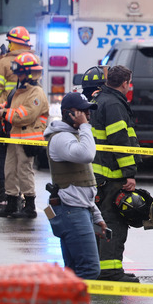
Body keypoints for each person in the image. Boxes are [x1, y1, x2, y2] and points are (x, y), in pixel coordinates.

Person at [44, 92, 107, 279]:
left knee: (72, 271)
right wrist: (85, 127)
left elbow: (83, 184)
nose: (88, 115)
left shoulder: (73, 135)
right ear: (69, 113)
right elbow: (87, 155)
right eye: (83, 111)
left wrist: (96, 215)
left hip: (77, 209)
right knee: (89, 269)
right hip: (72, 211)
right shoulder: (61, 138)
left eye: (88, 111)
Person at [91, 64, 141, 282]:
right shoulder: (114, 104)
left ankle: (97, 268)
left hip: (98, 174)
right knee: (114, 222)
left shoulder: (100, 98)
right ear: (124, 83)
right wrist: (129, 173)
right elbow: (119, 141)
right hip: (112, 175)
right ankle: (110, 271)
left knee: (98, 220)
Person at [0, 52, 49, 219]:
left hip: (28, 140)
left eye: (21, 72)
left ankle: (29, 205)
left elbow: (24, 116)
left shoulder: (36, 93)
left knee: (24, 171)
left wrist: (3, 112)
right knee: (10, 170)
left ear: (30, 73)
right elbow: (12, 106)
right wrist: (0, 108)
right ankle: (11, 203)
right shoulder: (20, 91)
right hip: (15, 138)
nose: (18, 75)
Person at [0, 27, 34, 205]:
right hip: (24, 118)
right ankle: (20, 195)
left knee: (2, 155)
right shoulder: (32, 60)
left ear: (12, 43)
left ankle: (3, 191)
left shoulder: (3, 63)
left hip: (0, 118)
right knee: (22, 159)